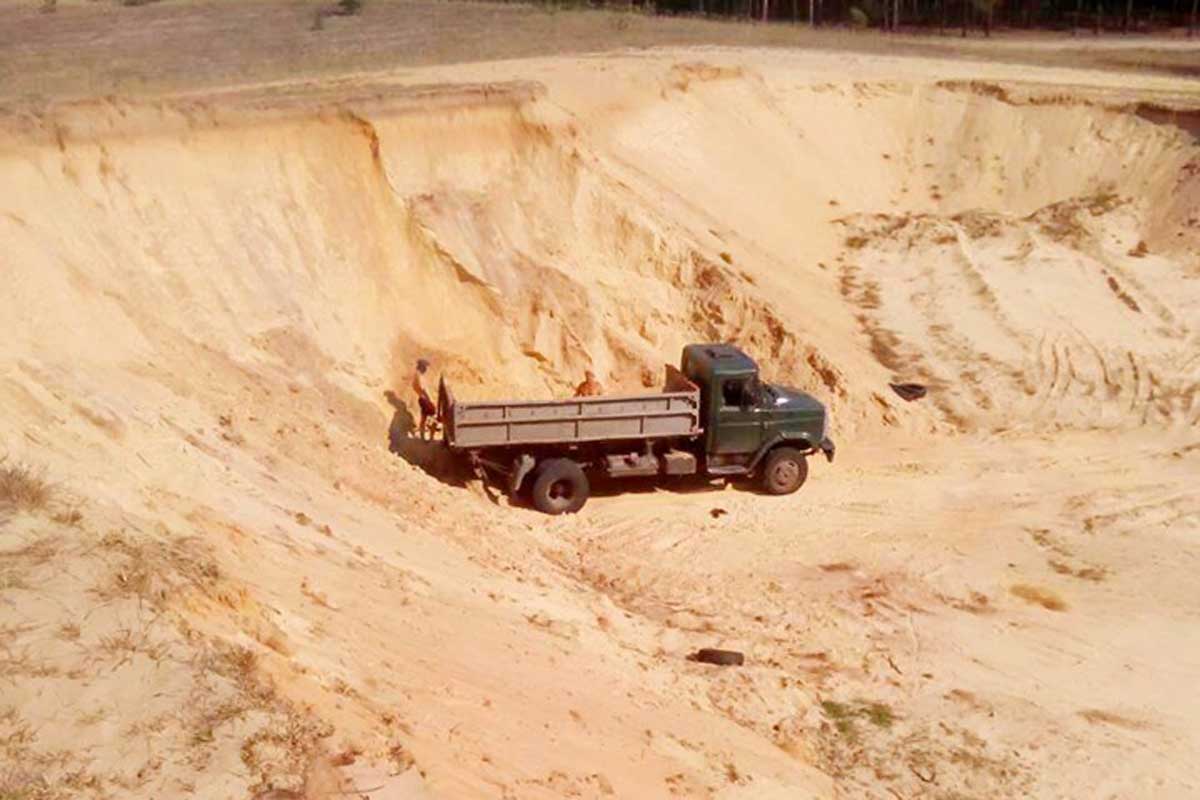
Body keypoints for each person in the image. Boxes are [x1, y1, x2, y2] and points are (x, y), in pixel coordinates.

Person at [411, 358, 437, 441]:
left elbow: (415, 387)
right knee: (435, 417)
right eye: (425, 367)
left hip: (421, 398)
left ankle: (422, 438)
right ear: (422, 367)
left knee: (423, 418)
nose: (426, 369)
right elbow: (423, 388)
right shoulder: (419, 376)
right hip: (425, 399)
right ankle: (431, 438)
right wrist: (430, 400)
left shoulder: (416, 375)